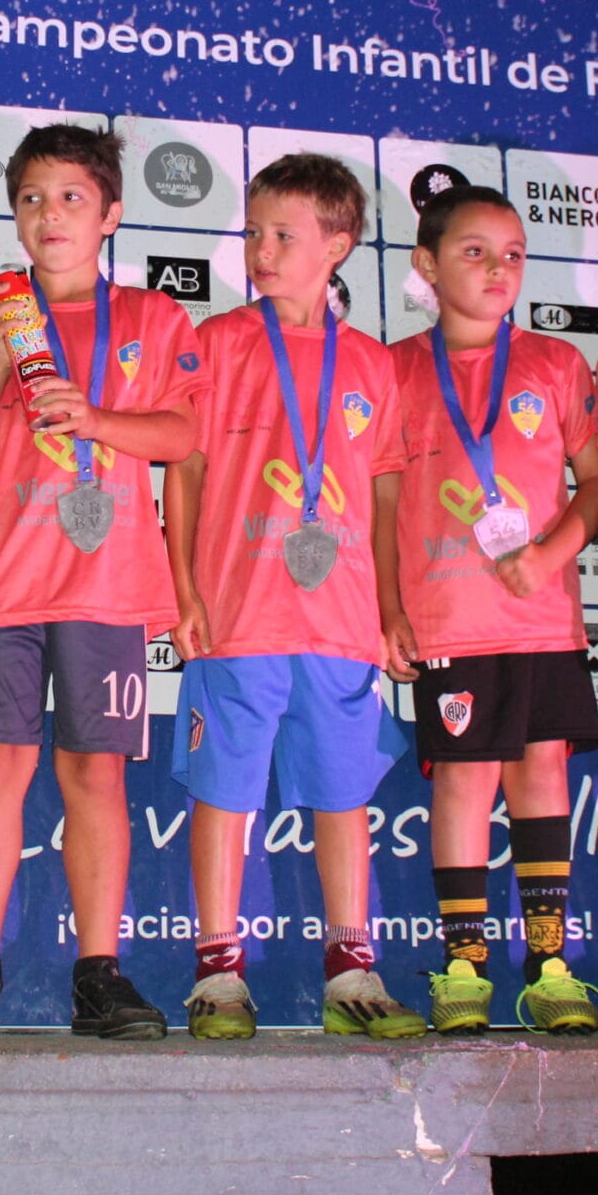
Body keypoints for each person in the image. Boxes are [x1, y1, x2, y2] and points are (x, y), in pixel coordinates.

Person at [0, 124, 201, 1041]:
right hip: (6, 584)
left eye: (72, 197)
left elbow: (184, 435)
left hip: (107, 586)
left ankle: (98, 971)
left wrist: (99, 417)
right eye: (32, 198)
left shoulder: (153, 318)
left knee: (95, 774)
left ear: (110, 214)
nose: (50, 215)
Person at [164, 153, 424, 1041]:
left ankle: (352, 969)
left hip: (342, 621)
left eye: (283, 234)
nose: (261, 250)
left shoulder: (372, 364)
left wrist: (390, 607)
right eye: (253, 232)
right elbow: (185, 469)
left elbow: (385, 493)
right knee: (224, 788)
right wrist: (184, 586)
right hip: (240, 610)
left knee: (344, 793)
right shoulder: (218, 342)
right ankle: (217, 972)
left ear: (337, 245)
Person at [377, 185, 598, 1034]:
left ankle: (549, 964)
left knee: (543, 773)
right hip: (447, 620)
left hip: (542, 617)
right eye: (474, 251)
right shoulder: (394, 369)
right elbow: (381, 499)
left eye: (512, 253)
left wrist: (550, 552)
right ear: (427, 264)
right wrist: (388, 606)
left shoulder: (555, 363)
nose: (497, 268)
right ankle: (464, 967)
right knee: (465, 781)